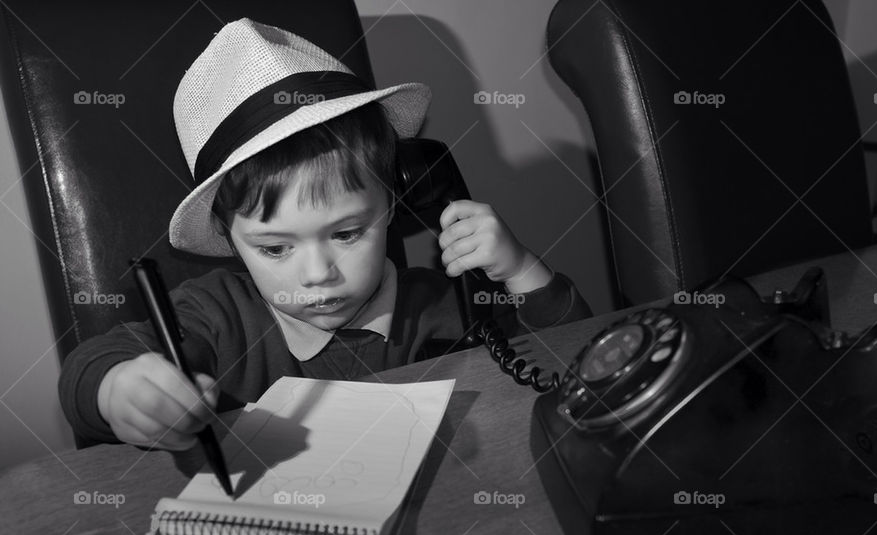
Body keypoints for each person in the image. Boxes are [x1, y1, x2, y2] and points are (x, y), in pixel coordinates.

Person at [57, 18, 592, 450]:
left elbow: (578, 366)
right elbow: (88, 369)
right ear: (227, 235)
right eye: (274, 248)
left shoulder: (446, 304)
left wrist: (521, 271)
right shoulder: (214, 318)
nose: (317, 275)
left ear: (395, 200)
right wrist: (118, 391)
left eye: (347, 233)